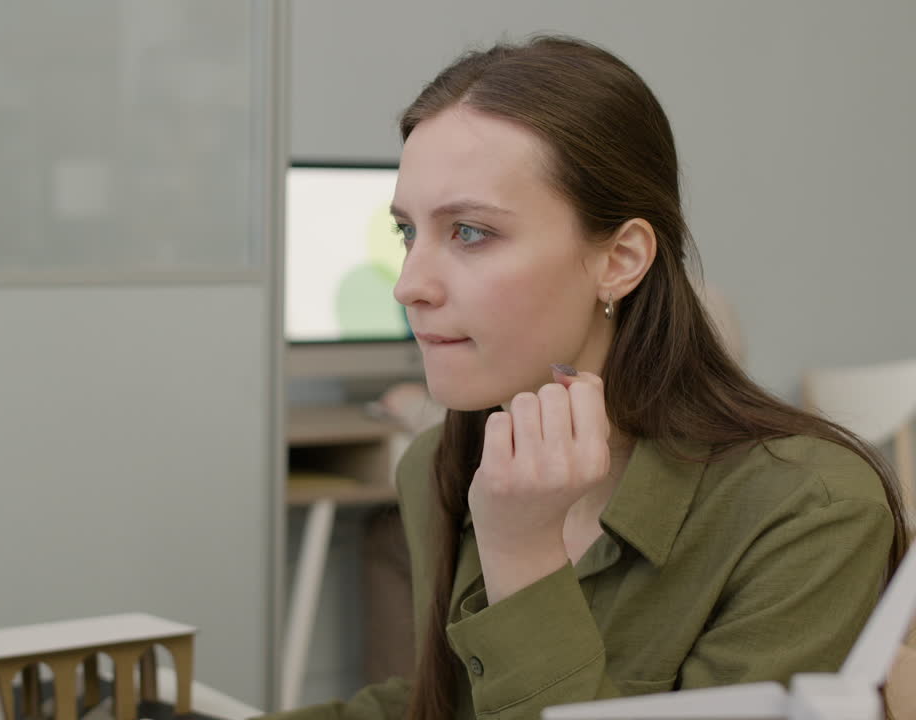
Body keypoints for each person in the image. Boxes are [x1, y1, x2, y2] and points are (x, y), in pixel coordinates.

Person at [261, 35, 911, 720]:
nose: (410, 286)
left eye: (471, 233)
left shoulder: (813, 508)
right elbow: (443, 705)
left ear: (620, 259)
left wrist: (522, 556)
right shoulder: (439, 464)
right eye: (407, 234)